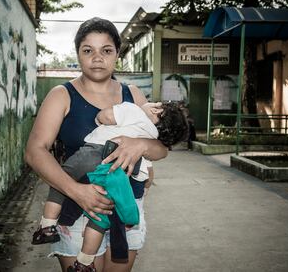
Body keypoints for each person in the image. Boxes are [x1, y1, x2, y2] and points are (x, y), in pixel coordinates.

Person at [24, 17, 168, 272]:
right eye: (88, 50)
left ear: (117, 54)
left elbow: (160, 149)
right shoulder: (62, 95)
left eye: (106, 50)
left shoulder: (132, 94)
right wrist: (77, 191)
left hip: (125, 204)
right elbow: (35, 151)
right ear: (78, 54)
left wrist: (140, 145)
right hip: (77, 203)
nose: (97, 57)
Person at [31, 101, 189, 271]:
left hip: (95, 154)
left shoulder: (133, 109)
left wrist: (104, 115)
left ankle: (47, 225)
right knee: (99, 219)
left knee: (61, 179)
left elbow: (104, 116)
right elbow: (151, 166)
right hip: (117, 177)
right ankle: (85, 262)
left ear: (156, 109)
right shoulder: (152, 134)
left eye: (155, 102)